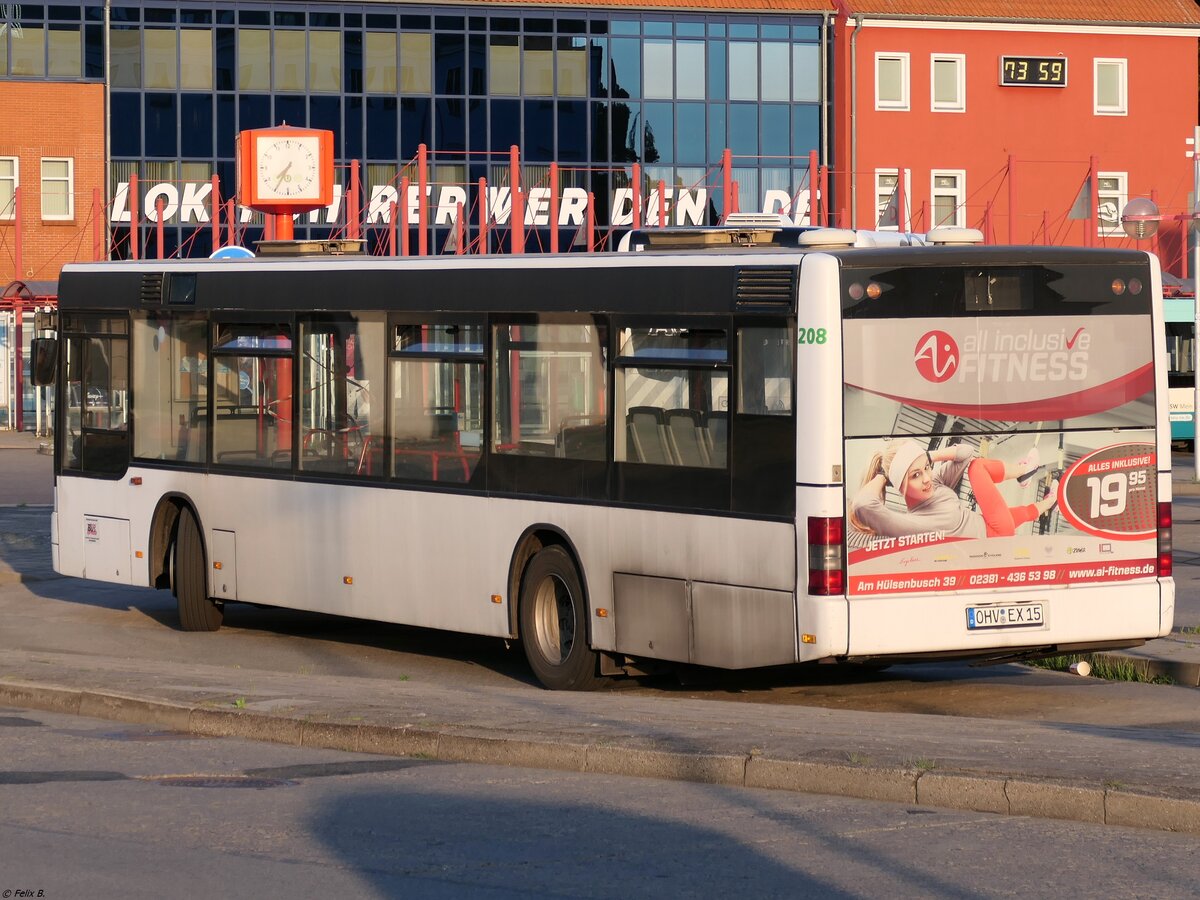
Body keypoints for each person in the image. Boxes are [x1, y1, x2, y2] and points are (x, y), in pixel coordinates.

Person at [849, 438, 1057, 540]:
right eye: (915, 475)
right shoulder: (912, 524)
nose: (926, 479)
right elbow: (862, 505)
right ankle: (1024, 471)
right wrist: (884, 476)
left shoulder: (936, 482)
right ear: (900, 485)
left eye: (926, 468)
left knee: (1018, 514)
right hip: (993, 540)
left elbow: (966, 452)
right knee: (977, 467)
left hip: (990, 524)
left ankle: (1050, 502)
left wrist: (927, 456)